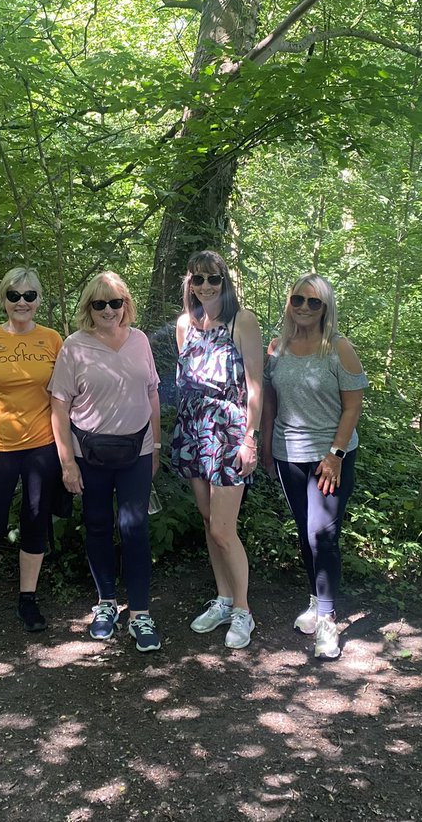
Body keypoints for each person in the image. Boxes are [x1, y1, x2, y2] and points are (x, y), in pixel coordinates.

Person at [49, 272, 163, 652]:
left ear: (125, 305)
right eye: (100, 304)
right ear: (88, 308)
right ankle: (106, 604)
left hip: (138, 451)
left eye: (115, 303)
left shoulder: (140, 341)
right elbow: (59, 406)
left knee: (135, 528)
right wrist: (67, 462)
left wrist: (157, 445)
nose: (108, 310)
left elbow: (152, 394)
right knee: (97, 526)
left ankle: (141, 614)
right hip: (89, 454)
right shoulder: (74, 346)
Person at [260, 273, 367, 660]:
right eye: (298, 300)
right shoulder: (277, 348)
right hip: (289, 453)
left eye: (314, 302)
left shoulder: (339, 348)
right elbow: (270, 402)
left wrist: (335, 454)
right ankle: (315, 599)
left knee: (323, 534)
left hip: (330, 458)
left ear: (326, 308)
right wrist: (266, 445)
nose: (304, 307)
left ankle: (327, 618)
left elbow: (353, 405)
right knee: (306, 533)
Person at [0, 268, 63, 634]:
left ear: (39, 300)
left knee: (36, 522)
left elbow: (64, 398)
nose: (22, 302)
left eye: (29, 295)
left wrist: (68, 453)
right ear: (3, 299)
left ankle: (28, 600)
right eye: (14, 295)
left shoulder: (53, 340)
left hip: (41, 446)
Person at [172, 250, 265, 650]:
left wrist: (250, 438)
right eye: (198, 279)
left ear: (225, 282)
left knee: (224, 529)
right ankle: (224, 598)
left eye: (214, 279)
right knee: (209, 521)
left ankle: (244, 610)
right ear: (189, 284)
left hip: (229, 431)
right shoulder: (184, 325)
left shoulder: (241, 322)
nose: (206, 286)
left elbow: (256, 385)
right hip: (193, 430)